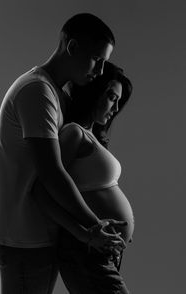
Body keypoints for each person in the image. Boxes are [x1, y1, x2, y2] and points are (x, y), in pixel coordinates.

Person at [0, 13, 126, 294]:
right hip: (22, 234)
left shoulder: (54, 92)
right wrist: (94, 226)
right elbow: (51, 173)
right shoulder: (37, 91)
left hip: (36, 232)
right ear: (72, 47)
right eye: (97, 59)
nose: (101, 70)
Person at [33, 61, 134, 294]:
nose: (115, 106)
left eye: (118, 100)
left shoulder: (91, 136)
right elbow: (41, 191)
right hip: (84, 250)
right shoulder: (74, 133)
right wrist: (85, 234)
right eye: (110, 96)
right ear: (93, 92)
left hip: (100, 251)